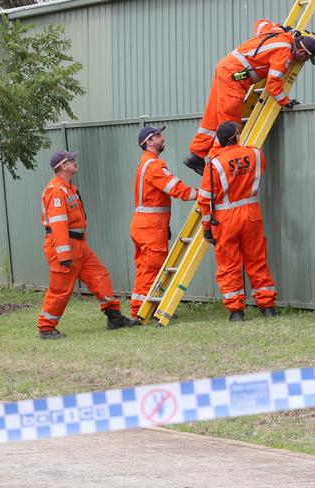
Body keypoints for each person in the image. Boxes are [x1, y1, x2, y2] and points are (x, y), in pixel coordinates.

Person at [184, 19, 315, 175]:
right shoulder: (284, 54)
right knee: (229, 124)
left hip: (225, 68)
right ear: (301, 52)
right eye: (307, 58)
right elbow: (273, 85)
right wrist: (285, 102)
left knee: (212, 117)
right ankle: (217, 165)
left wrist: (281, 27)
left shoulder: (279, 33)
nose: (305, 61)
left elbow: (260, 24)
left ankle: (196, 155)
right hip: (234, 79)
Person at [37, 150, 134, 339]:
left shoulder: (68, 188)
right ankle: (46, 328)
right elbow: (58, 225)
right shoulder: (56, 191)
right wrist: (64, 254)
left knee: (100, 275)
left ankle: (113, 317)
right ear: (63, 166)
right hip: (63, 247)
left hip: (78, 246)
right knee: (60, 290)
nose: (75, 162)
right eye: (71, 160)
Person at [197, 122, 277, 321]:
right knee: (257, 259)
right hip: (251, 214)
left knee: (228, 265)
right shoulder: (255, 154)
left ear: (220, 140)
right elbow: (259, 170)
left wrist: (207, 226)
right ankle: (267, 307)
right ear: (237, 135)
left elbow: (205, 199)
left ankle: (236, 311)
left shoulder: (214, 163)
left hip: (225, 220)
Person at [130, 126, 197, 322]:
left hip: (144, 224)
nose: (162, 138)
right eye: (158, 136)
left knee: (144, 268)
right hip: (150, 226)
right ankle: (144, 312)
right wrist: (199, 194)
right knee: (152, 268)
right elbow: (174, 188)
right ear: (149, 142)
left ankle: (139, 309)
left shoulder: (147, 164)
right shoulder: (153, 165)